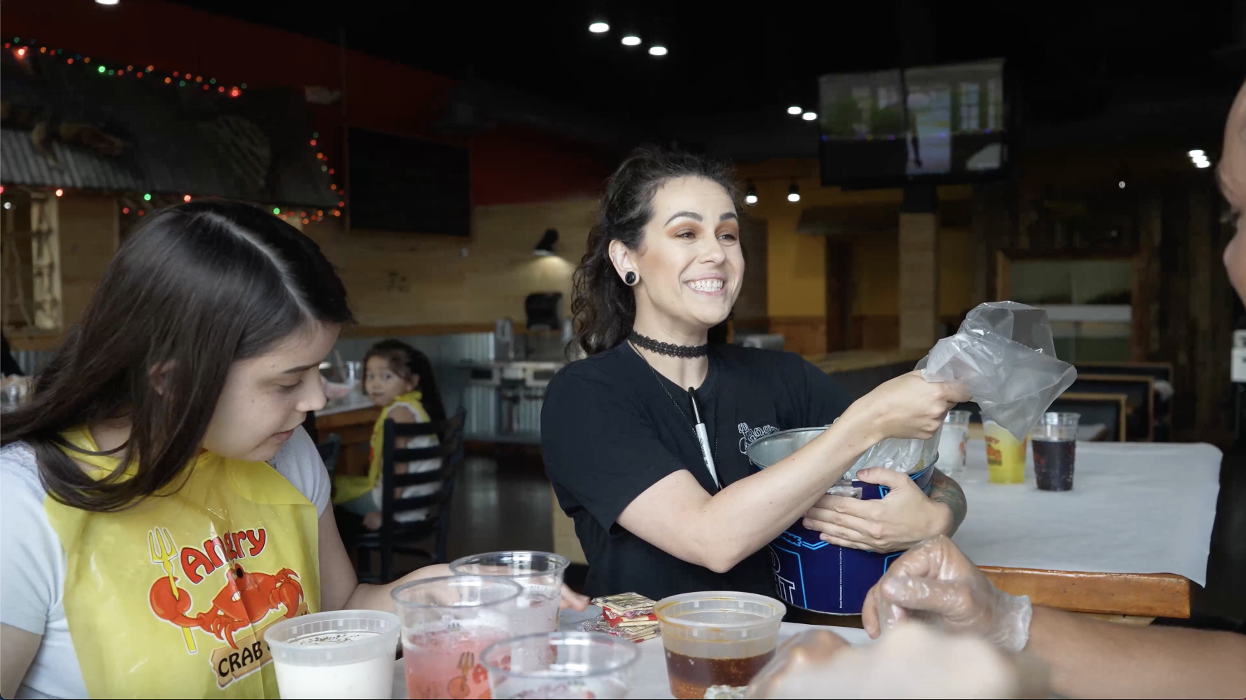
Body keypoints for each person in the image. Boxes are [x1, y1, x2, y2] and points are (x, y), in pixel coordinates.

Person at [0, 201, 586, 699]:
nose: (316, 398)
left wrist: (434, 593)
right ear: (171, 380)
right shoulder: (22, 507)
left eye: (320, 369)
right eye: (286, 381)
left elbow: (343, 610)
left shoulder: (285, 453)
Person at [541, 148, 972, 600]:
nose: (716, 253)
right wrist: (867, 420)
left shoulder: (784, 377)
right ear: (626, 258)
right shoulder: (586, 397)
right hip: (653, 658)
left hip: (789, 650)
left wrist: (937, 519)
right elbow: (711, 539)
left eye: (727, 235)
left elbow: (930, 475)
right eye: (686, 233)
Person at [333, 339, 447, 531]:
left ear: (411, 382)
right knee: (340, 483)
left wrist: (386, 514)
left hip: (399, 508)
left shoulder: (397, 415)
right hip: (416, 503)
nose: (375, 384)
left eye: (386, 377)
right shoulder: (412, 406)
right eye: (370, 376)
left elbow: (397, 468)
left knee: (327, 492)